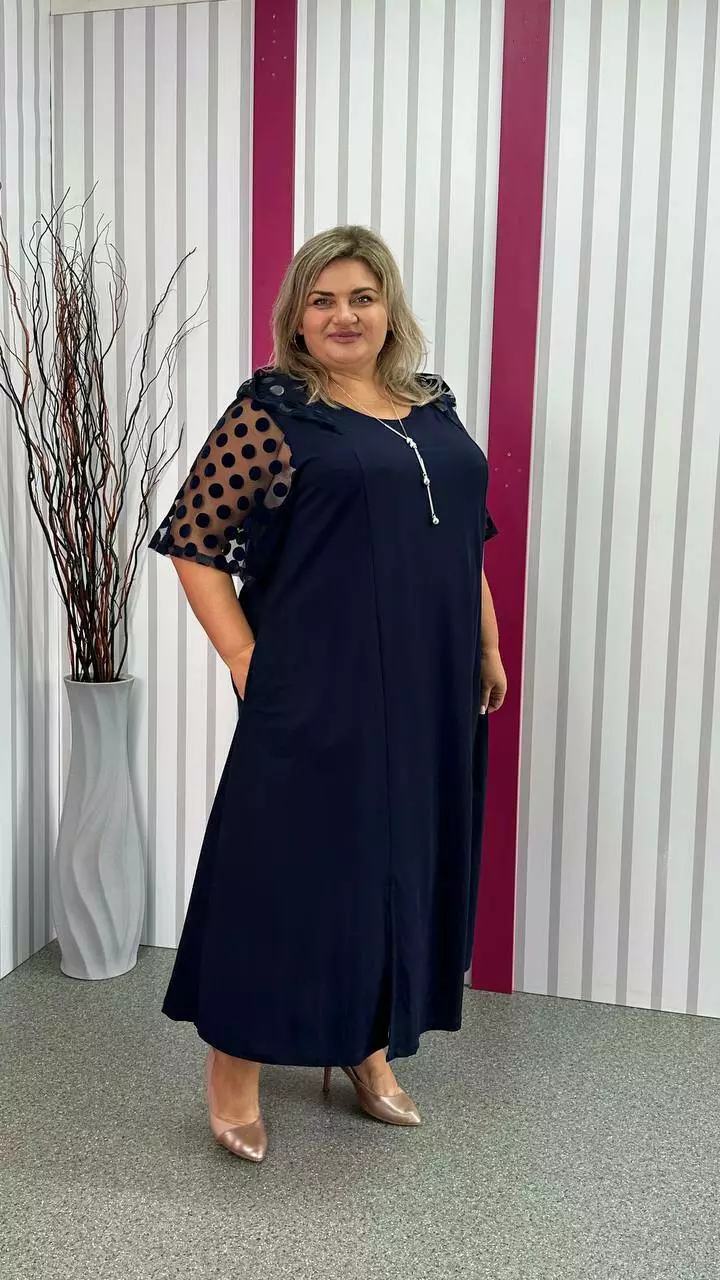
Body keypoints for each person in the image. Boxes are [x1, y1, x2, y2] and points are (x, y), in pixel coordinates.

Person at [148, 225, 507, 1163]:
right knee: (284, 872)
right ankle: (233, 1072)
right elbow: (194, 540)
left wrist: (486, 642)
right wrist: (244, 657)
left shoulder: (431, 409)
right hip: (317, 687)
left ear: (390, 308)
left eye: (361, 296)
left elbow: (465, 536)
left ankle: (366, 1044)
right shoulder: (274, 413)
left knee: (398, 863)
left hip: (430, 685)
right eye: (323, 300)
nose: (344, 315)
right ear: (297, 318)